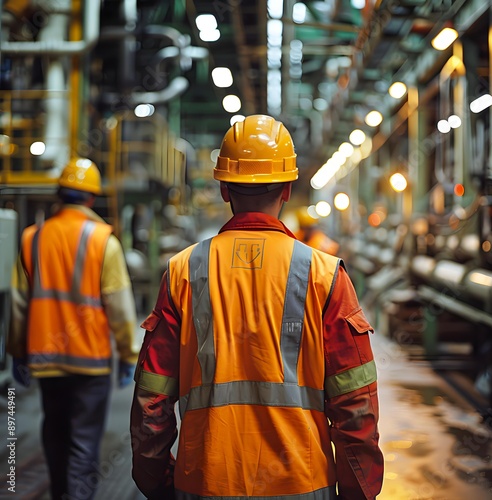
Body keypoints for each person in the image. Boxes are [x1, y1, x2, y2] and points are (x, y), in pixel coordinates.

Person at [130, 115, 384, 499]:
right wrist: (358, 491)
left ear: (223, 189)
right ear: (287, 188)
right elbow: (356, 404)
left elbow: (152, 400)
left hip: (204, 484)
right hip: (301, 486)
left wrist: (155, 479)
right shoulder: (324, 275)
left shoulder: (183, 271)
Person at [8, 157, 139, 500]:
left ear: (58, 194)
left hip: (45, 358)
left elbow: (19, 305)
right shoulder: (103, 241)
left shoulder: (31, 239)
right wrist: (128, 355)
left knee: (55, 433)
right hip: (89, 361)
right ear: (92, 199)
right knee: (84, 442)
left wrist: (17, 352)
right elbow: (121, 307)